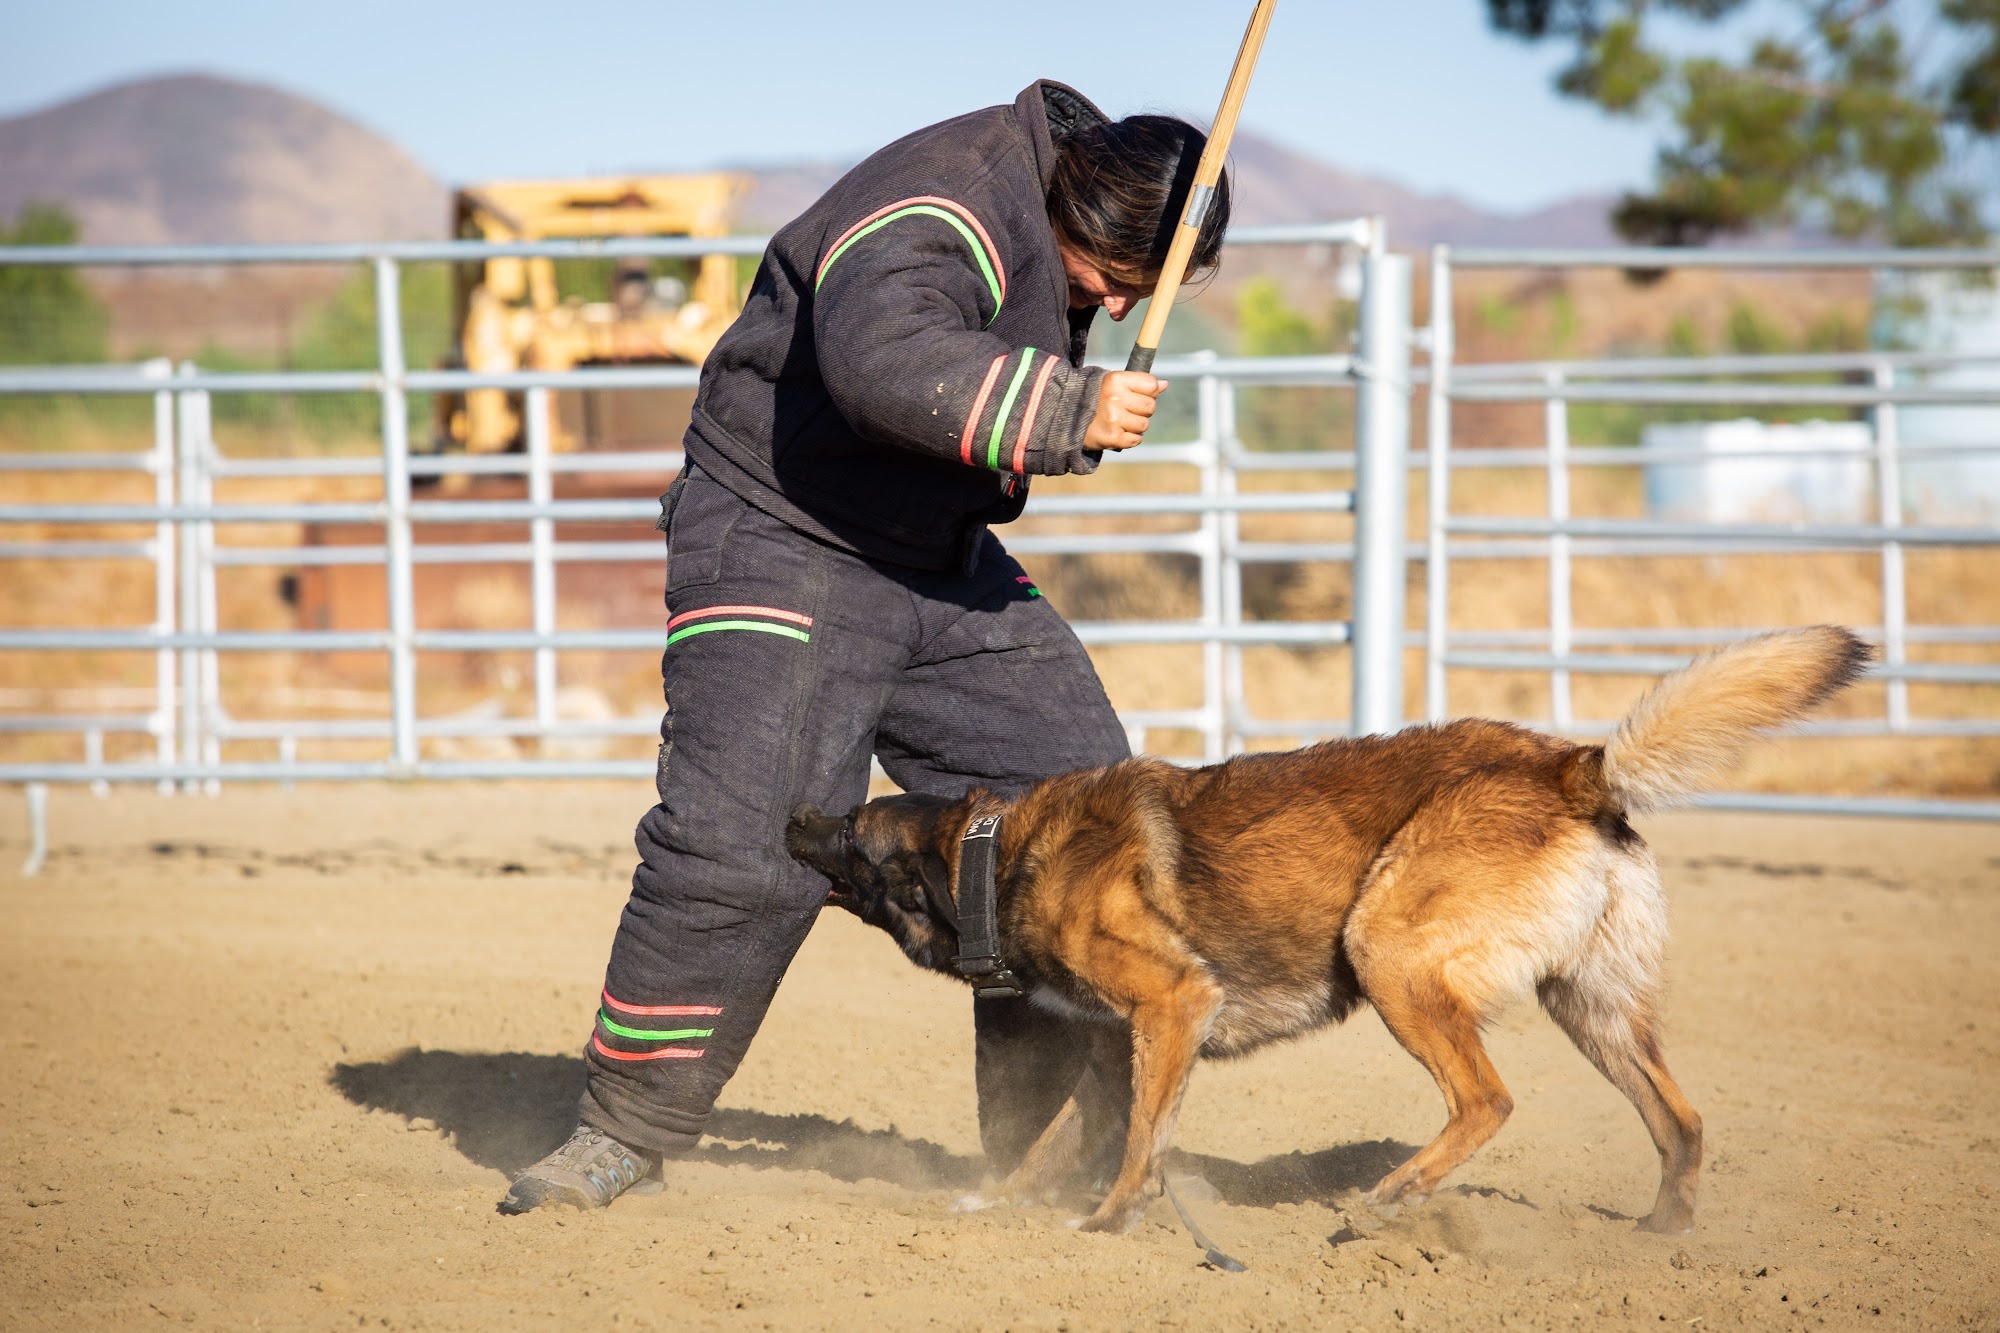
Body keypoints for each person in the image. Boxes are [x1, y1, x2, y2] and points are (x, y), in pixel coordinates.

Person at [500, 78, 1231, 1213]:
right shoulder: (945, 197)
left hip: (931, 551)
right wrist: (1061, 408)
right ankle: (621, 1131)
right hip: (779, 532)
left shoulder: (1048, 206)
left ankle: (1058, 1163)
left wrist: (1054, 401)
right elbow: (880, 352)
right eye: (1115, 285)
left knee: (1072, 828)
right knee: (745, 845)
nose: (1118, 310)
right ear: (1085, 217)